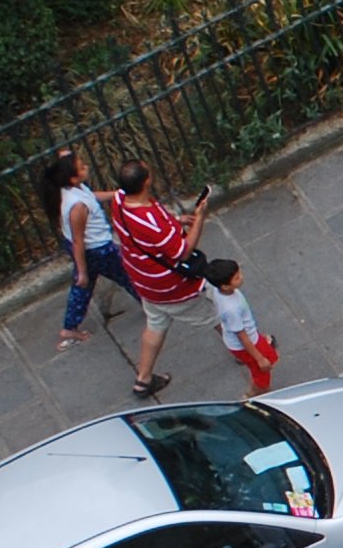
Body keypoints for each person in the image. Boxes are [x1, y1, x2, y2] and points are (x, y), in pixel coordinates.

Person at [106, 162, 216, 400]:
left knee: (156, 323)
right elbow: (182, 251)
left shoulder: (119, 200)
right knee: (220, 315)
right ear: (146, 181)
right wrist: (199, 219)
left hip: (145, 281)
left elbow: (156, 232)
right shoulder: (151, 221)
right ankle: (247, 350)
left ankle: (143, 380)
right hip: (171, 287)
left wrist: (176, 220)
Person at [42, 148, 126, 354]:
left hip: (90, 249)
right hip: (97, 249)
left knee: (83, 288)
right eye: (82, 167)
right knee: (128, 274)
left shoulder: (72, 190)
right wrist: (82, 270)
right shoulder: (76, 206)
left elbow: (92, 195)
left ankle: (70, 327)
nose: (86, 167)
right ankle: (152, 303)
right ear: (72, 178)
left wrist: (116, 195)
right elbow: (79, 240)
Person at [209, 257, 278, 397]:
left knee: (269, 358)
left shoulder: (219, 292)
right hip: (247, 343)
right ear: (225, 286)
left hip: (250, 336)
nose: (241, 277)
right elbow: (243, 337)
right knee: (262, 372)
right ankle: (253, 394)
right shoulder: (231, 309)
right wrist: (259, 359)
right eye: (237, 277)